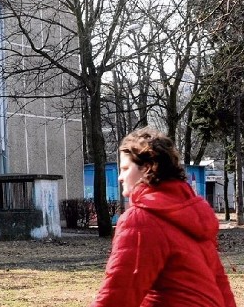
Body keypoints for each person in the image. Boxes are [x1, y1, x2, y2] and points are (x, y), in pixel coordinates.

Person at [90, 127, 236, 307]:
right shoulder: (191, 216)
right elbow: (222, 287)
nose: (120, 177)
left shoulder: (141, 219)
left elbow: (119, 295)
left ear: (147, 168)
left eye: (125, 168)